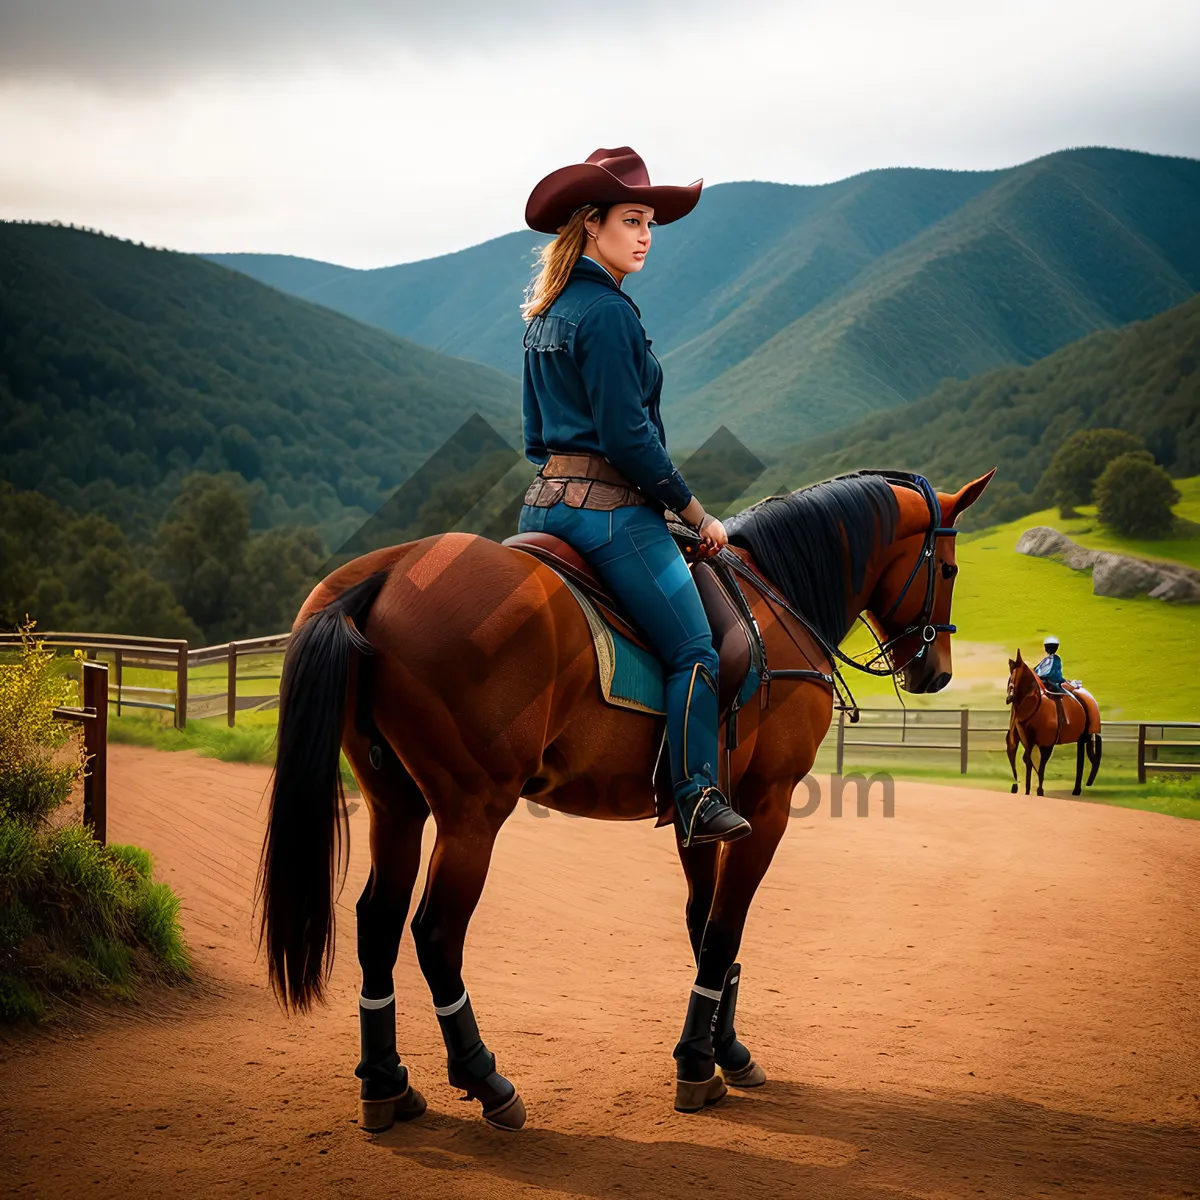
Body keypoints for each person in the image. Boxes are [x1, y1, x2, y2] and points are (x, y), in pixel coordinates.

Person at [516, 146, 751, 848]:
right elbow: (629, 438)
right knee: (697, 651)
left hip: (540, 505)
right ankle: (697, 794)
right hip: (609, 515)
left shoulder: (547, 313)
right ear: (592, 225)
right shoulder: (611, 314)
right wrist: (695, 513)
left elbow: (535, 436)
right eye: (633, 219)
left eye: (650, 222)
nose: (646, 235)